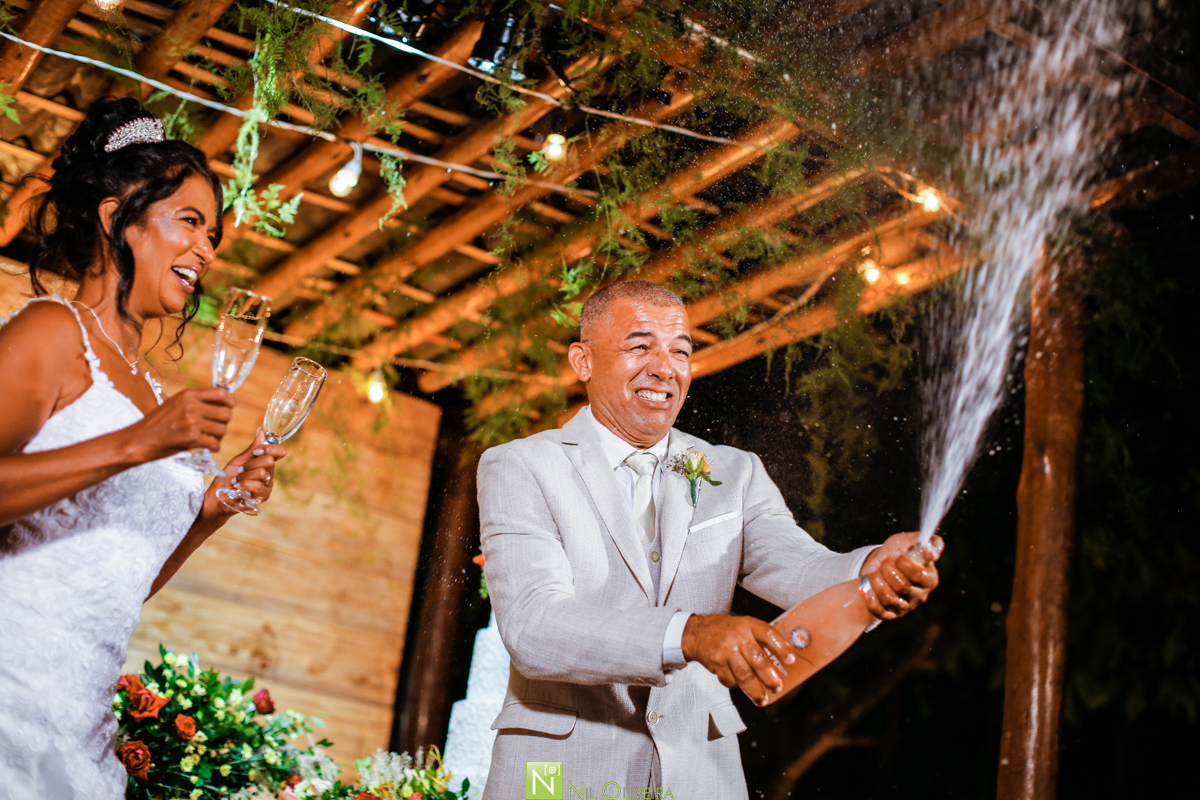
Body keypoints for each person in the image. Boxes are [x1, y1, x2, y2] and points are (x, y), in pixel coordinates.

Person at [477, 280, 942, 800]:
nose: (664, 368)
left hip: (699, 773)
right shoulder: (521, 465)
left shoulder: (734, 473)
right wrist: (690, 634)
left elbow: (799, 565)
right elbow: (534, 626)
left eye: (680, 351)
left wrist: (870, 571)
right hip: (559, 773)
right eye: (640, 346)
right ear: (583, 361)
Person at [0, 98, 286, 799]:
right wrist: (139, 442)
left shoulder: (152, 394)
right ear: (116, 220)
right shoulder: (51, 332)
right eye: (189, 221)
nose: (207, 250)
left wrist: (210, 512)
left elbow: (122, 578)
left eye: (213, 234)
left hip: (78, 726)